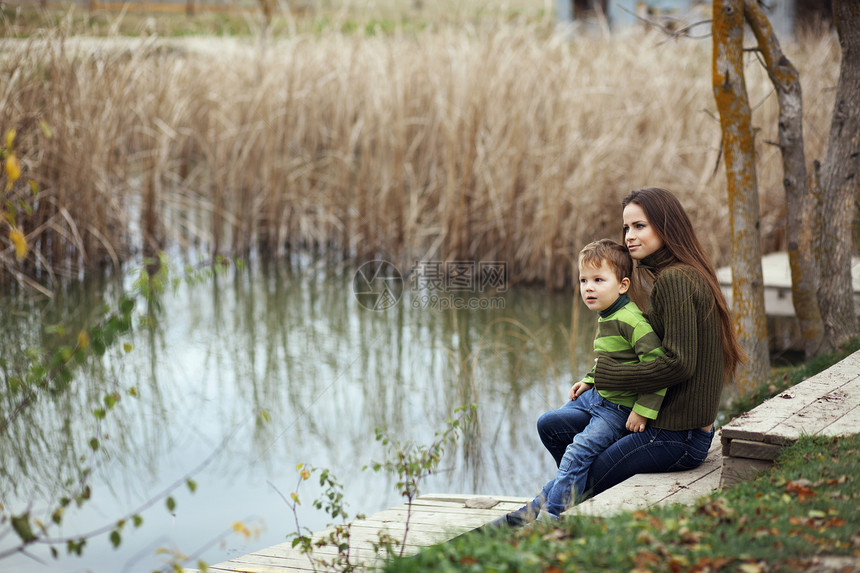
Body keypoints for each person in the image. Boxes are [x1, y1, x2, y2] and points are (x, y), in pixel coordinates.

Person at [489, 186, 744, 529]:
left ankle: (525, 522)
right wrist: (596, 379)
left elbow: (678, 363)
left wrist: (611, 378)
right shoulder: (678, 274)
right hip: (666, 423)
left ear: (666, 226)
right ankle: (550, 511)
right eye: (626, 228)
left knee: (586, 469)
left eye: (639, 226)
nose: (629, 237)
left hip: (678, 437)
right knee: (554, 427)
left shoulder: (675, 280)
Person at [484, 238, 667, 527]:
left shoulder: (632, 320)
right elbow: (612, 358)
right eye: (583, 280)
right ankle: (572, 482)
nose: (588, 287)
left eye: (598, 279)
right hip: (598, 396)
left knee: (578, 450)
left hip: (618, 409)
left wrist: (644, 408)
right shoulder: (608, 313)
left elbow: (659, 367)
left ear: (623, 285)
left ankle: (551, 517)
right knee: (549, 422)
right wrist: (589, 379)